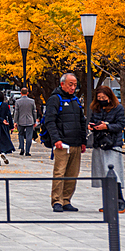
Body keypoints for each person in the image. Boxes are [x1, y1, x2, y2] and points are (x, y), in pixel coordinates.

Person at [42, 73, 87, 212]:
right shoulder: (55, 99)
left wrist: (83, 141)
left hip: (76, 143)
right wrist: (56, 139)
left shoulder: (76, 100)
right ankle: (57, 200)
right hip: (62, 143)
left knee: (73, 174)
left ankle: (67, 199)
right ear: (62, 84)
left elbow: (82, 121)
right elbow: (50, 121)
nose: (73, 87)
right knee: (59, 173)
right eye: (70, 84)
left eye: (75, 85)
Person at [89, 86, 125, 213]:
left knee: (113, 172)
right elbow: (92, 121)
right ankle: (109, 201)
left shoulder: (118, 108)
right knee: (103, 173)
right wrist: (92, 126)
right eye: (99, 98)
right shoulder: (96, 108)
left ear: (110, 97)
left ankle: (120, 201)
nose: (101, 100)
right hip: (99, 143)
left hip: (112, 144)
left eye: (104, 98)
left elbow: (121, 125)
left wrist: (107, 126)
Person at [14, 88, 37, 156]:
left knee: (20, 134)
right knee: (29, 136)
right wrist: (34, 120)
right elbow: (34, 112)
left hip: (21, 120)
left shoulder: (18, 102)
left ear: (21, 93)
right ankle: (27, 151)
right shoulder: (32, 101)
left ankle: (21, 148)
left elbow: (16, 112)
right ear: (27, 93)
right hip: (30, 120)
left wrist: (15, 121)